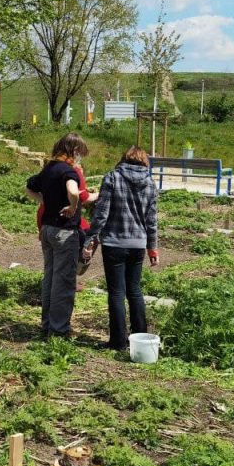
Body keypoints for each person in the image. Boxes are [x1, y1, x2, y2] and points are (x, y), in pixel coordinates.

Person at [84, 146, 159, 351]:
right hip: (138, 244)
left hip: (114, 243)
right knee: (134, 290)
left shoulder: (112, 178)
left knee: (117, 293)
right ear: (144, 161)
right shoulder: (151, 183)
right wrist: (153, 247)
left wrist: (91, 237)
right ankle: (140, 338)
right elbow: (151, 220)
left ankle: (117, 342)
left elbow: (102, 212)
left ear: (124, 158)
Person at [25, 133, 87, 337]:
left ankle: (47, 324)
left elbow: (29, 187)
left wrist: (43, 201)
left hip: (47, 230)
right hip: (64, 231)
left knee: (50, 278)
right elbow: (74, 191)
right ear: (74, 151)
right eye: (80, 153)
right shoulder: (68, 172)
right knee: (64, 281)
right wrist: (72, 206)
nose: (80, 158)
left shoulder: (49, 169)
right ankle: (59, 330)